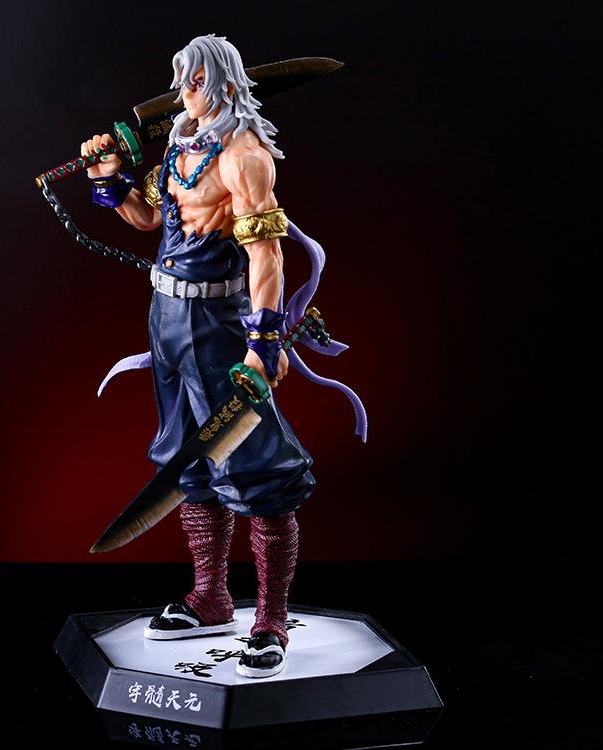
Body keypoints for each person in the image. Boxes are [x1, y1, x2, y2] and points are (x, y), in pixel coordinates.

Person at [82, 34, 363, 678]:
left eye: (195, 82)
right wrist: (109, 179)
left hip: (219, 322)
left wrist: (264, 341)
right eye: (181, 81)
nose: (184, 93)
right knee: (185, 454)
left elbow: (267, 254)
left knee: (257, 464)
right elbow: (149, 221)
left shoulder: (245, 157)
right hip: (165, 318)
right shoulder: (181, 144)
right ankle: (209, 598)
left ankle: (269, 621)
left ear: (226, 85)